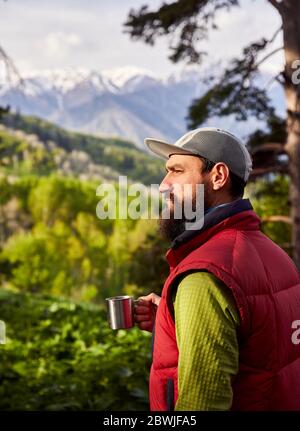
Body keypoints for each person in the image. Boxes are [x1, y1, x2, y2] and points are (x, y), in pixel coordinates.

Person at [134, 127, 300, 411]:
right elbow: (259, 346)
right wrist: (176, 318)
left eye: (176, 171)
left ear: (218, 177)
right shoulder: (276, 256)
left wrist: (196, 301)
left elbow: (203, 404)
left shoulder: (204, 275)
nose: (163, 185)